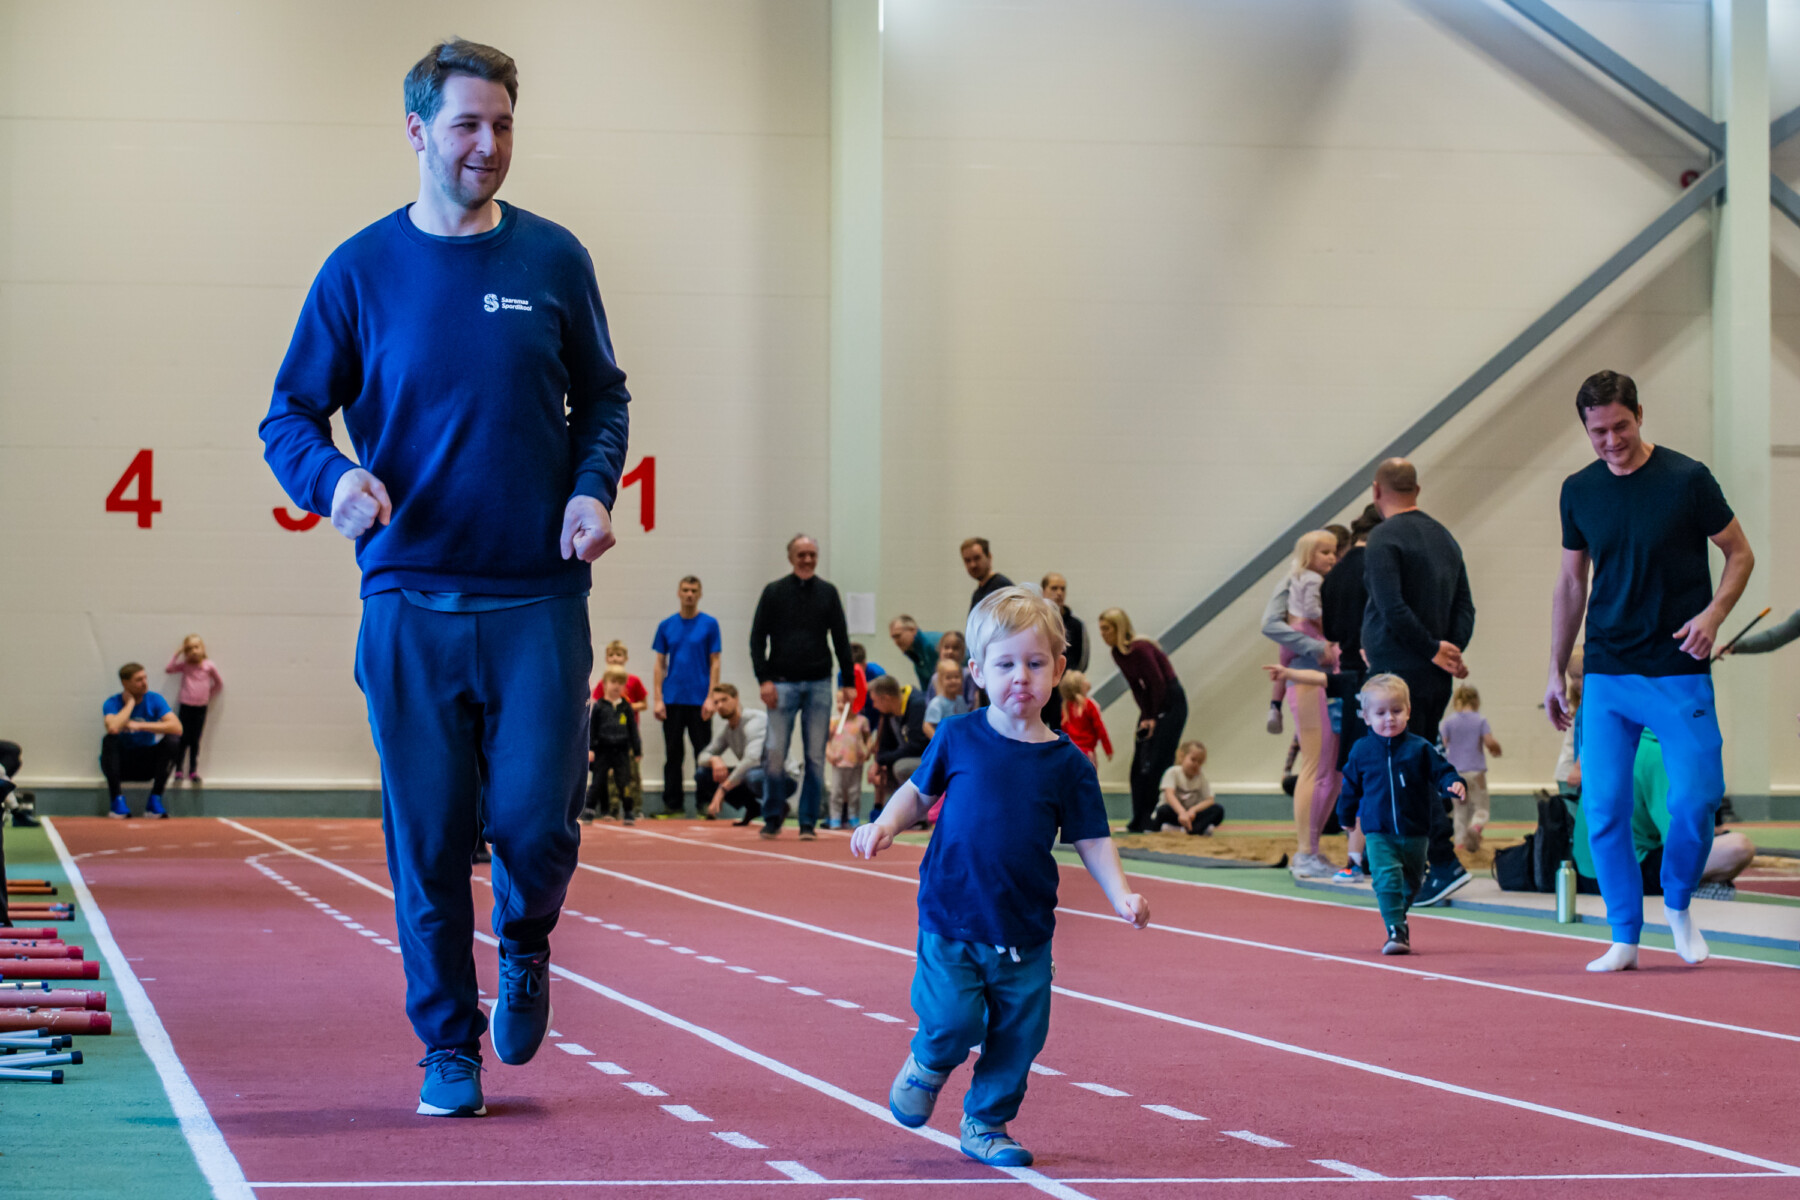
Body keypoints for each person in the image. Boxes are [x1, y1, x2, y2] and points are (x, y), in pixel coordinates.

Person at [259, 40, 631, 1118]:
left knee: (536, 826)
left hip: (539, 599)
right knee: (425, 841)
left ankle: (525, 938)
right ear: (418, 130)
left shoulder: (554, 259)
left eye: (503, 125)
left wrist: (591, 490)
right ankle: (447, 1047)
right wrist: (332, 480)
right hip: (409, 597)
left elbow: (604, 399)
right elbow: (289, 413)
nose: (488, 145)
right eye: (468, 124)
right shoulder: (359, 270)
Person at [852, 586, 1148, 1167]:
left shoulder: (1068, 765)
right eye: (1006, 664)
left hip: (1025, 930)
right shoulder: (957, 736)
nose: (1021, 677)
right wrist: (884, 824)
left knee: (1019, 1037)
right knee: (952, 1019)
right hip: (952, 917)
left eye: (1035, 664)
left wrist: (1121, 894)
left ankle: (986, 1123)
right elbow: (919, 793)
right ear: (978, 672)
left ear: (1058, 670)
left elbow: (1092, 838)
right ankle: (930, 1061)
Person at [1545, 370, 1753, 972]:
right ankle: (1625, 935)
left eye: (1621, 427)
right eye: (1598, 432)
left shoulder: (1687, 479)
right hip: (1608, 669)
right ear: (1585, 429)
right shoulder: (1578, 490)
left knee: (1695, 800)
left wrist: (1714, 614)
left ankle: (1680, 903)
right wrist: (1555, 670)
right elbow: (1570, 583)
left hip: (1677, 667)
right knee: (1604, 807)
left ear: (1639, 414)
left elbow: (1740, 553)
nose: (1611, 441)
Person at [1361, 457, 1475, 906]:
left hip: (1398, 671)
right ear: (1417, 489)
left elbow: (1390, 605)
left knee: (1405, 767)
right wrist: (1450, 650)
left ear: (1376, 491)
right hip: (1432, 673)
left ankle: (1442, 862)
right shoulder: (1444, 537)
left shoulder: (1384, 537)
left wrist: (1431, 648)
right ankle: (1431, 862)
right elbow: (1464, 605)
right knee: (1420, 760)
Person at [1335, 675, 1465, 956]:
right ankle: (1396, 930)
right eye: (1380, 713)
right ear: (1366, 717)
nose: (1389, 719)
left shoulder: (1419, 748)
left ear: (1408, 711)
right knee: (1386, 879)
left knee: (1412, 882)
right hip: (1378, 832)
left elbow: (1442, 771)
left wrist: (1453, 783)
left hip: (1415, 831)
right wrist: (1345, 815)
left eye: (1396, 711)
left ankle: (1397, 917)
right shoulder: (1362, 751)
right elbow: (1350, 787)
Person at [749, 535, 854, 841]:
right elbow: (757, 639)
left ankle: (808, 821)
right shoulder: (773, 592)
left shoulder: (828, 593)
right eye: (801, 554)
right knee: (775, 753)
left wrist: (848, 681)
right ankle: (772, 817)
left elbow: (841, 638)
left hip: (819, 683)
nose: (807, 560)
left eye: (812, 554)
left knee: (815, 757)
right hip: (781, 684)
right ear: (791, 557)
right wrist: (763, 679)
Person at [1261, 531, 1341, 877]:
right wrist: (1317, 647)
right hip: (1307, 676)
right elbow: (1271, 625)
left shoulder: (1320, 582)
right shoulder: (1298, 580)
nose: (1331, 558)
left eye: (1334, 552)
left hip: (1325, 678)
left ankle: (1312, 849)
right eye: (1324, 552)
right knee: (1316, 766)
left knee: (1332, 771)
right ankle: (1306, 851)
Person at [1098, 607, 1187, 833]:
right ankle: (1138, 818)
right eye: (1101, 630)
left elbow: (1158, 683)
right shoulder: (1117, 654)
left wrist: (1153, 717)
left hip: (1171, 701)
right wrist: (1146, 716)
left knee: (1157, 761)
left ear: (1118, 628)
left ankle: (1154, 817)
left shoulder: (1141, 648)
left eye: (1106, 629)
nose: (1103, 634)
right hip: (1151, 704)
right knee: (1139, 763)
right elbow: (1137, 687)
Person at [651, 576, 722, 817]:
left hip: (700, 701)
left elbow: (715, 662)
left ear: (699, 594)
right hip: (672, 699)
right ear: (679, 593)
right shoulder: (666, 625)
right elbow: (659, 664)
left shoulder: (710, 625)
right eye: (685, 590)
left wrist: (712, 697)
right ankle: (673, 805)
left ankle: (706, 803)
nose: (689, 594)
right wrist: (658, 699)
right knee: (673, 754)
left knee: (703, 753)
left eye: (693, 590)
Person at [698, 683, 798, 824]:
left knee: (752, 776)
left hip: (785, 776)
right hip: (756, 773)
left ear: (736, 698)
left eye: (724, 700)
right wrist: (714, 759)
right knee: (704, 773)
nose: (720, 705)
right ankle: (754, 808)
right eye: (716, 702)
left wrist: (722, 789)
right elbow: (703, 756)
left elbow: (753, 759)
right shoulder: (727, 730)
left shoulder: (755, 721)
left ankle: (777, 805)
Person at [100, 663, 183, 819]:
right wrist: (130, 704)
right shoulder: (113, 702)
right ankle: (117, 802)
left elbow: (177, 727)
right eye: (138, 680)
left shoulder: (155, 700)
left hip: (147, 764)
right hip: (122, 764)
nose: (144, 682)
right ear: (125, 683)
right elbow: (112, 727)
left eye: (145, 678)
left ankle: (155, 801)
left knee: (173, 741)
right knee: (109, 740)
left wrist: (139, 725)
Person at [1439, 686, 1502, 852]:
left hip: (1455, 773)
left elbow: (1443, 745)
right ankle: (1475, 827)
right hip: (1476, 772)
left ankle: (1460, 844)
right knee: (1481, 807)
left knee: (1460, 810)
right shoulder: (1480, 720)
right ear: (1476, 701)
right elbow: (1489, 742)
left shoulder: (1448, 722)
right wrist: (1496, 748)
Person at [586, 667, 642, 824]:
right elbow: (592, 729)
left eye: (620, 683)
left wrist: (637, 750)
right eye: (613, 682)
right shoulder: (599, 706)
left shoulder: (626, 707)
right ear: (605, 684)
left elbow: (633, 730)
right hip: (603, 750)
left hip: (621, 750)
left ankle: (628, 811)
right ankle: (589, 809)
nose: (616, 686)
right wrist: (590, 749)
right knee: (597, 781)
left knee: (624, 782)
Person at [164, 635, 223, 784]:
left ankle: (193, 771)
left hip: (201, 707)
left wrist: (208, 695)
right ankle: (178, 770)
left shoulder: (208, 665)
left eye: (196, 647)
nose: (194, 651)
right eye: (189, 649)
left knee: (195, 740)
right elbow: (169, 669)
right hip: (186, 705)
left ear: (202, 649)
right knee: (182, 739)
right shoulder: (185, 665)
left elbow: (219, 683)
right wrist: (177, 653)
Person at [869, 675, 931, 814]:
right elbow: (884, 748)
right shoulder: (889, 713)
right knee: (881, 770)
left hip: (927, 759)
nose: (874, 706)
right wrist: (879, 763)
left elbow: (917, 747)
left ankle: (918, 814)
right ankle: (890, 810)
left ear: (885, 698)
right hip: (909, 756)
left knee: (901, 767)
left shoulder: (917, 705)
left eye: (874, 701)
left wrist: (883, 760)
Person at [826, 687, 872, 829]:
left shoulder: (861, 721)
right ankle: (835, 817)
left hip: (855, 762)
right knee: (836, 791)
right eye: (838, 702)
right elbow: (827, 741)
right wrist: (829, 754)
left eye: (845, 702)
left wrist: (867, 751)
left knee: (854, 791)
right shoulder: (834, 722)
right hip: (838, 762)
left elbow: (868, 739)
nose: (841, 705)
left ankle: (853, 816)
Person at [1155, 741, 1223, 836]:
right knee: (1163, 811)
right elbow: (1169, 795)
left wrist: (1193, 810)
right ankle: (1188, 828)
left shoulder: (1201, 777)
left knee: (1218, 810)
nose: (1196, 764)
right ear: (1182, 757)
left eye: (1200, 762)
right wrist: (1182, 812)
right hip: (1175, 814)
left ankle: (1190, 830)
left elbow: (1210, 800)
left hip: (1191, 817)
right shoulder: (1173, 772)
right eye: (1193, 759)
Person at [1056, 671, 1113, 769]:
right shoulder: (1088, 705)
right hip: (1087, 753)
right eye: (1084, 680)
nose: (1087, 681)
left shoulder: (1066, 707)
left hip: (1072, 752)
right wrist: (1108, 749)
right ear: (1081, 687)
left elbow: (1064, 732)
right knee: (1090, 776)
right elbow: (1100, 728)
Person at [1041, 574, 1088, 673]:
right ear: (1043, 591)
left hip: (1068, 678)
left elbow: (1082, 661)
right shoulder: (1036, 621)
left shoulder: (1077, 625)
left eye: (1062, 589)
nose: (1059, 593)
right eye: (1054, 588)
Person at [889, 616, 943, 690]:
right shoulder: (915, 653)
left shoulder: (931, 646)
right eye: (893, 638)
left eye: (898, 636)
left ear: (913, 630)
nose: (896, 642)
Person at [961, 537, 1013, 611]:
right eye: (967, 560)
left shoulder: (1001, 587)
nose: (973, 565)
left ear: (989, 557)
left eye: (977, 558)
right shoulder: (977, 594)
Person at [924, 659, 972, 737]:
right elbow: (926, 726)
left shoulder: (960, 700)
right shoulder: (937, 703)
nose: (953, 680)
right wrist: (940, 740)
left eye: (956, 677)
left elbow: (965, 720)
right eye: (948, 678)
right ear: (940, 680)